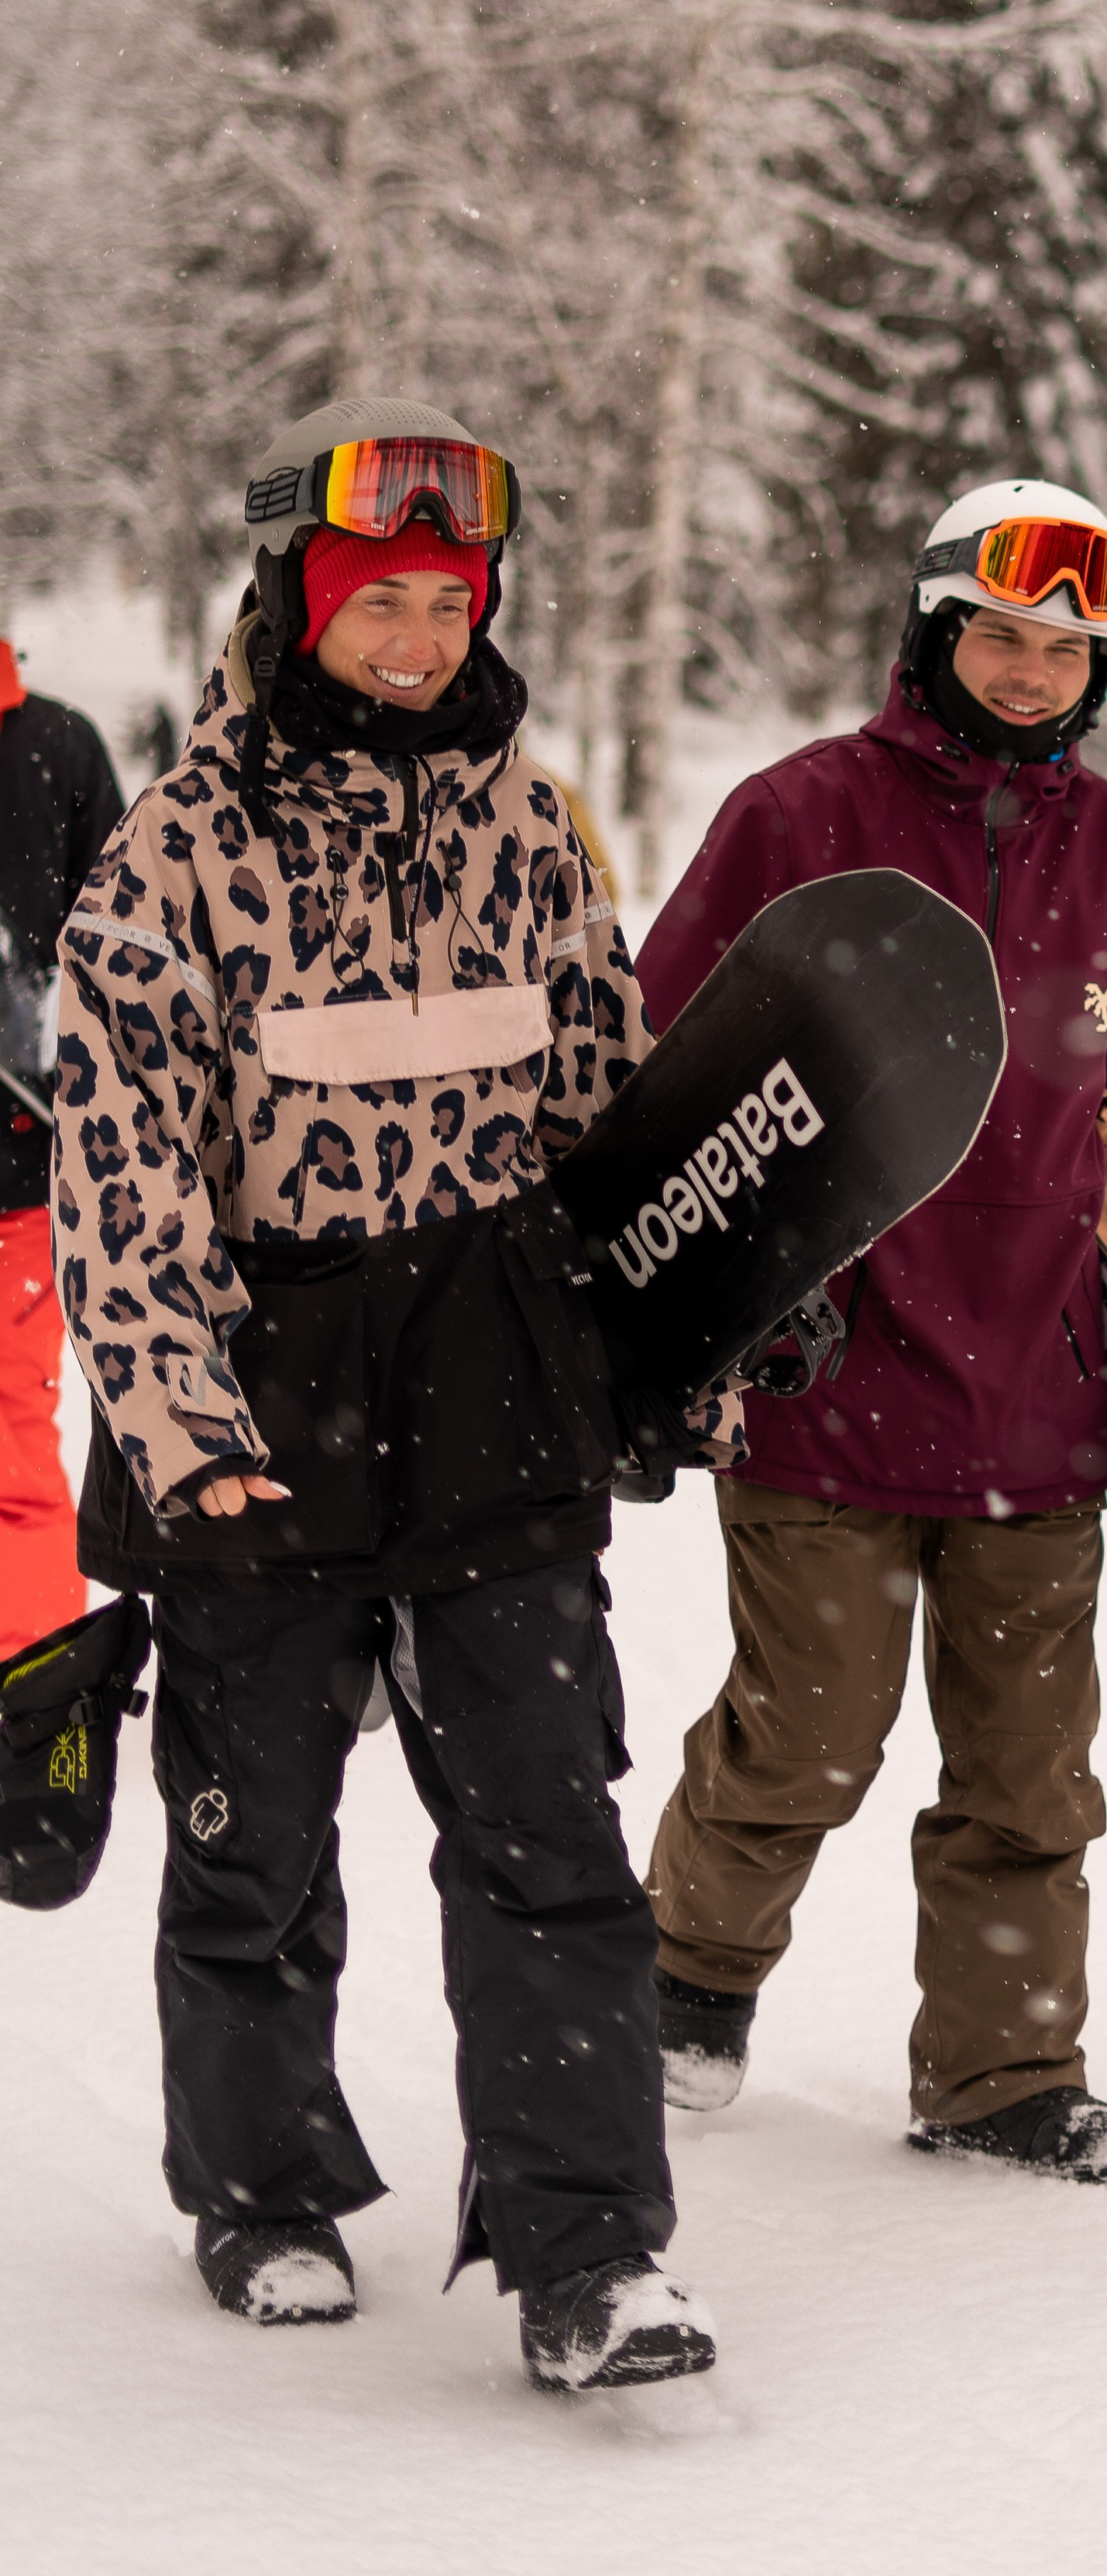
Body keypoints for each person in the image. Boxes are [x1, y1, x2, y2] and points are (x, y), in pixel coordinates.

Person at [53, 396, 727, 2389]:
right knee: (257, 1842)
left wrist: (663, 1351)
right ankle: (260, 2193)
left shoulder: (531, 824)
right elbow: (123, 1177)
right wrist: (184, 1431)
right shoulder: (173, 859)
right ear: (301, 601)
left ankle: (587, 2250)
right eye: (382, 601)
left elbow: (605, 1107)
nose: (421, 639)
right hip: (268, 1405)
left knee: (551, 1825)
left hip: (498, 1395)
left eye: (450, 600)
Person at [638, 477, 1107, 2181]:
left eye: (1065, 649)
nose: (1032, 675)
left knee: (1029, 1777)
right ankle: (675, 1982)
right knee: (805, 1729)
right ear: (931, 631)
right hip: (824, 1379)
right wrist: (691, 1319)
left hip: (1037, 1394)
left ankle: (1002, 2075)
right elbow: (666, 1061)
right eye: (1002, 638)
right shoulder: (799, 812)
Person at [0, 636, 122, 1654]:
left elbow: (121, 958)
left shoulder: (58, 750)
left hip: (16, 1178)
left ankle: (30, 1698)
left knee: (12, 1451)